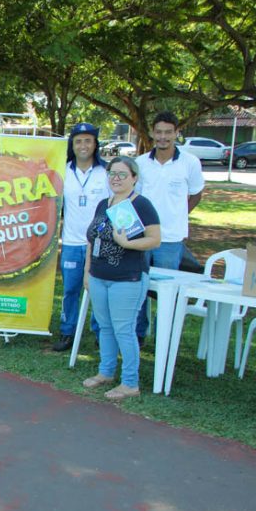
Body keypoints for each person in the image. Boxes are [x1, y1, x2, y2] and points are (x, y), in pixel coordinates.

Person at [83, 156, 161, 399]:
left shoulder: (142, 204)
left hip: (127, 278)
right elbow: (91, 241)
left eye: (122, 174)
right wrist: (87, 272)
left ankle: (130, 382)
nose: (116, 179)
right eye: (112, 174)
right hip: (99, 276)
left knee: (123, 329)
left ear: (134, 178)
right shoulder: (103, 204)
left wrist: (128, 243)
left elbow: (155, 239)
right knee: (105, 327)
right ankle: (106, 372)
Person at [134, 111, 205, 343]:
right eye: (159, 132)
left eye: (168, 132)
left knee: (167, 292)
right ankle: (139, 333)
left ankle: (167, 337)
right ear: (152, 133)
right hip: (142, 237)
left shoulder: (190, 162)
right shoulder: (141, 163)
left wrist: (179, 215)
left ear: (176, 133)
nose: (163, 137)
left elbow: (196, 194)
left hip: (171, 239)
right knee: (139, 287)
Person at [52, 123, 110, 352]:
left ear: (95, 144)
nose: (83, 145)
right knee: (70, 290)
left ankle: (99, 334)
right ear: (72, 145)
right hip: (72, 242)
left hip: (100, 244)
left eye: (88, 141)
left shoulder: (106, 172)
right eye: (78, 141)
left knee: (98, 292)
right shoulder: (62, 170)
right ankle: (68, 332)